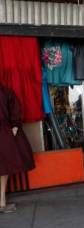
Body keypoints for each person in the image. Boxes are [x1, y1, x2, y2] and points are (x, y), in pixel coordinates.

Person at [0, 84, 35, 213]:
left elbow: (14, 109)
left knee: (4, 168)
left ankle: (1, 201)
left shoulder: (5, 91)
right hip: (4, 133)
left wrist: (15, 125)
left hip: (3, 133)